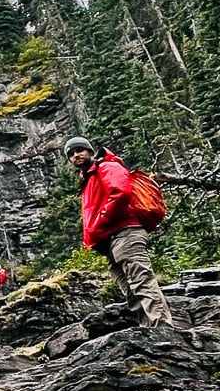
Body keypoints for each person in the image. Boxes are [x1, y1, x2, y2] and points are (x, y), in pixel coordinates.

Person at [64, 136, 173, 327]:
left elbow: (120, 193)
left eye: (80, 150)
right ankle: (148, 329)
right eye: (71, 154)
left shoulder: (107, 167)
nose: (76, 155)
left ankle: (163, 326)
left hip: (125, 232)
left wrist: (99, 222)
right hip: (108, 240)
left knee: (141, 280)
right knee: (129, 289)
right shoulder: (87, 179)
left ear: (90, 151)